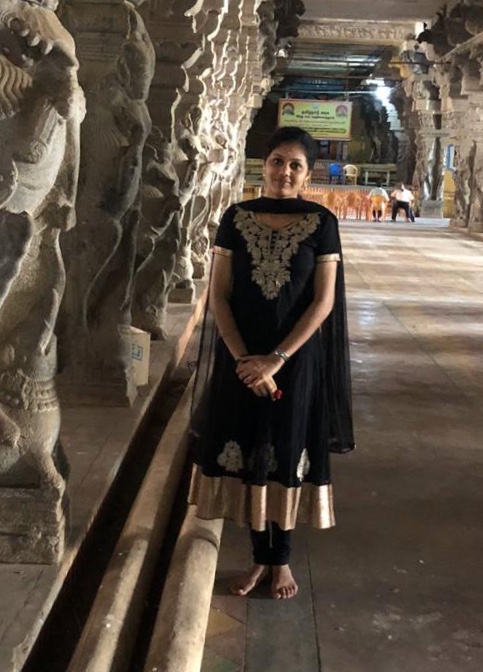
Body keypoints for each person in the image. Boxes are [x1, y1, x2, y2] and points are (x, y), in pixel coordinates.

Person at [188, 126, 354, 601]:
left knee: (285, 446)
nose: (285, 172)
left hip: (294, 361)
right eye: (278, 161)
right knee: (248, 446)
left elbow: (322, 303)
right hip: (240, 358)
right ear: (264, 165)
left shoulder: (322, 223)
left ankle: (279, 560)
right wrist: (245, 360)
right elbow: (219, 295)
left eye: (296, 165)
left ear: (308, 175)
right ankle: (259, 557)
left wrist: (276, 360)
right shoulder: (235, 218)